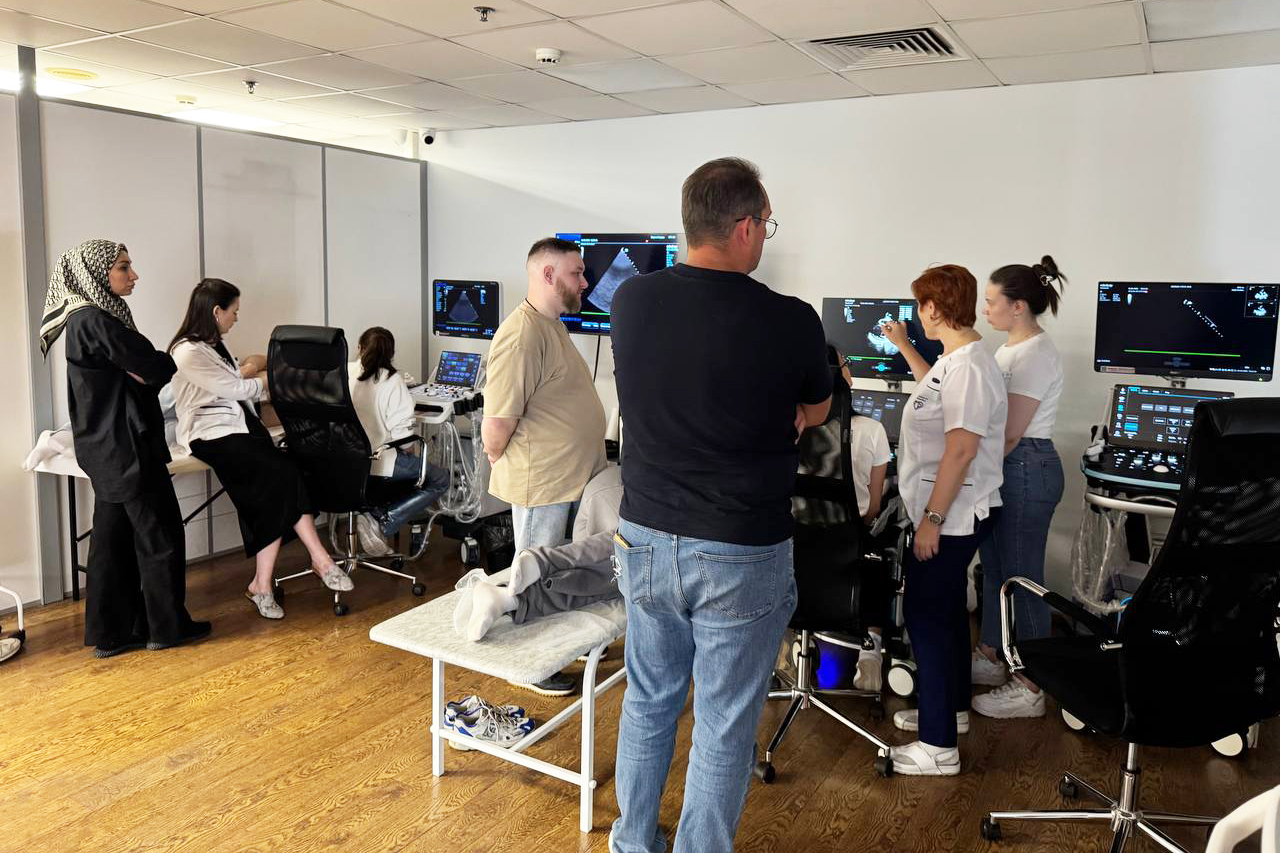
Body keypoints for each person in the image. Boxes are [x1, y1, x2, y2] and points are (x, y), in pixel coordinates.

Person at [609, 157, 831, 853]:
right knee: (724, 721)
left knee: (648, 699)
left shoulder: (629, 301)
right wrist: (791, 413)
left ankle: (631, 842)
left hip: (644, 535)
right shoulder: (791, 319)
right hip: (739, 546)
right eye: (765, 222)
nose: (764, 234)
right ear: (743, 228)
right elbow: (818, 406)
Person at [38, 240, 206, 657]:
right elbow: (155, 367)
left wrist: (144, 369)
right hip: (128, 446)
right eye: (123, 267)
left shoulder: (83, 320)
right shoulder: (97, 320)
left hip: (104, 448)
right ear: (97, 273)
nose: (133, 276)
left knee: (111, 543)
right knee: (159, 534)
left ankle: (111, 634)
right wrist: (155, 365)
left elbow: (142, 371)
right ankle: (167, 629)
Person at [880, 264, 1007, 776]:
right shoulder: (955, 361)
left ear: (933, 307)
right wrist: (904, 345)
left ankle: (938, 748)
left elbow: (960, 450)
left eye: (919, 305)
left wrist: (931, 520)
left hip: (953, 515)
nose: (917, 314)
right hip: (949, 512)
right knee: (948, 612)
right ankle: (950, 712)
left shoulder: (971, 367)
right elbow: (931, 396)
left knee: (927, 618)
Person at [169, 278, 353, 620]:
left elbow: (237, 380)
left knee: (285, 479)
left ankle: (263, 584)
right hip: (210, 433)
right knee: (282, 477)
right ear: (216, 311)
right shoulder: (187, 351)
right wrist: (278, 375)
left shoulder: (214, 346)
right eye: (234, 312)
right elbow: (235, 389)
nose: (236, 318)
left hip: (241, 426)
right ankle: (321, 560)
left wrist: (255, 368)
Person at [481, 237, 608, 697]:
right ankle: (530, 665)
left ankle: (559, 646)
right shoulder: (521, 334)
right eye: (577, 273)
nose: (586, 282)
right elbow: (497, 423)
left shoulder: (550, 325)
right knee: (532, 574)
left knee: (561, 572)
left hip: (568, 477)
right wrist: (498, 453)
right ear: (549, 275)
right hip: (545, 482)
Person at [970, 257, 1068, 719]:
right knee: (994, 569)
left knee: (1023, 577)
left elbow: (1009, 432)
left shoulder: (1037, 354)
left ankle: (1032, 685)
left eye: (992, 301)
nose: (984, 309)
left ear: (1019, 306)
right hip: (1004, 465)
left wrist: (966, 465)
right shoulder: (1007, 350)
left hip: (1026, 465)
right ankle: (993, 654)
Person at [452, 465, 623, 641]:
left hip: (590, 479)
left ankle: (506, 599)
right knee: (626, 554)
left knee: (606, 581)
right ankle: (540, 561)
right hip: (612, 493)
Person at [347, 326, 450, 557]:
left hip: (346, 463)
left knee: (411, 468)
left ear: (359, 348)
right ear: (391, 354)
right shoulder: (392, 381)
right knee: (440, 479)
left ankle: (372, 512)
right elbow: (404, 441)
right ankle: (383, 518)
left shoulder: (344, 372)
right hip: (380, 463)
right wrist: (410, 451)